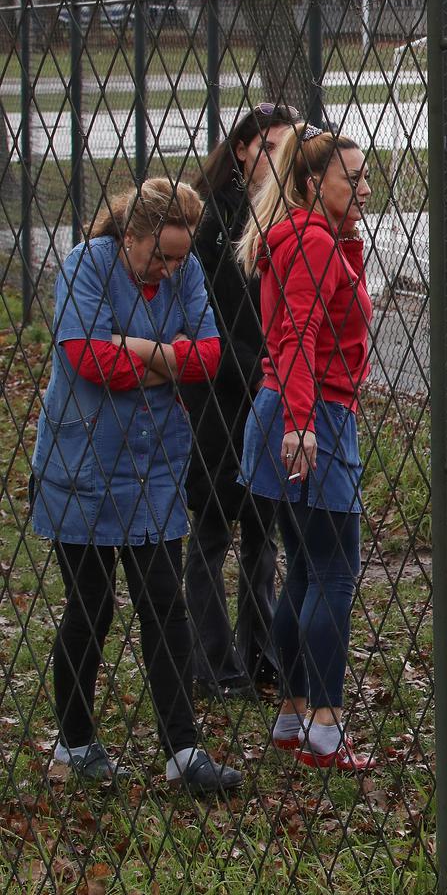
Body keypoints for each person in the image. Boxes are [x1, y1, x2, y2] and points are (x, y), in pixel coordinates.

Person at [31, 176, 245, 794]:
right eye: (161, 256)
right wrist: (167, 358)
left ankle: (183, 752)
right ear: (131, 236)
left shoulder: (186, 270)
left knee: (165, 605)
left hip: (154, 467)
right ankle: (75, 743)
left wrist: (138, 347)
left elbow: (209, 355)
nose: (170, 269)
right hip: (84, 466)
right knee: (91, 607)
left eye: (179, 258)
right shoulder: (87, 265)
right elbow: (89, 360)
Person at [237, 125, 376, 772]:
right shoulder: (314, 241)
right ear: (313, 182)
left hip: (294, 410)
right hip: (311, 415)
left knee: (304, 567)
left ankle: (294, 716)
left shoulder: (305, 235)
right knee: (333, 572)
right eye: (354, 177)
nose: (365, 187)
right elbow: (297, 334)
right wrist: (301, 425)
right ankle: (325, 724)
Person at [183, 101, 301, 700]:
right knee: (211, 530)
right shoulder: (213, 220)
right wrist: (254, 370)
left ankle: (262, 655)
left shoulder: (287, 218)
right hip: (217, 395)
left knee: (262, 530)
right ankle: (212, 663)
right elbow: (204, 318)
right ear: (241, 149)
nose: (278, 159)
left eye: (287, 148)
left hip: (269, 392)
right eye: (269, 147)